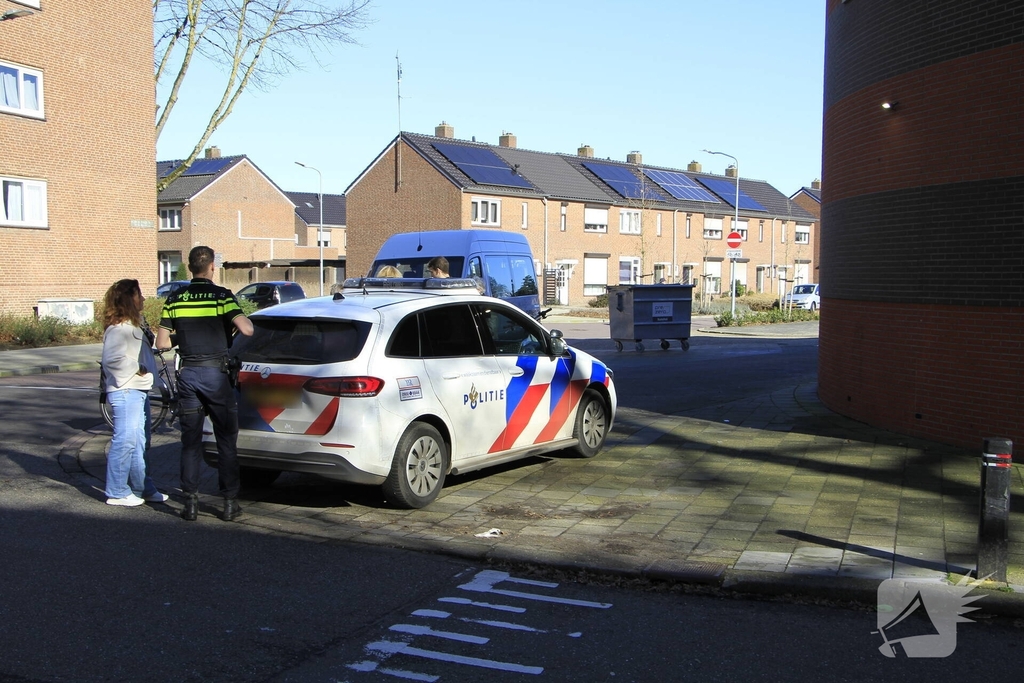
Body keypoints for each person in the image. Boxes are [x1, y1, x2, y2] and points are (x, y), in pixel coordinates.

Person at [157, 246, 253, 522]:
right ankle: (229, 503)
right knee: (225, 440)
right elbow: (247, 329)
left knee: (190, 442)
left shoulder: (175, 298)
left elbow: (162, 343)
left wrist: (184, 339)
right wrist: (229, 327)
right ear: (212, 266)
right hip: (215, 376)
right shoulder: (222, 296)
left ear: (190, 268)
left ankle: (190, 503)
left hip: (188, 375)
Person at [100, 279, 168, 506]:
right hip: (126, 390)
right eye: (140, 295)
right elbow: (112, 360)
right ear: (130, 298)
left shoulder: (132, 325)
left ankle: (142, 488)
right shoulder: (120, 329)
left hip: (136, 390)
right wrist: (139, 369)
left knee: (139, 441)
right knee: (126, 440)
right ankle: (117, 491)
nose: (144, 299)